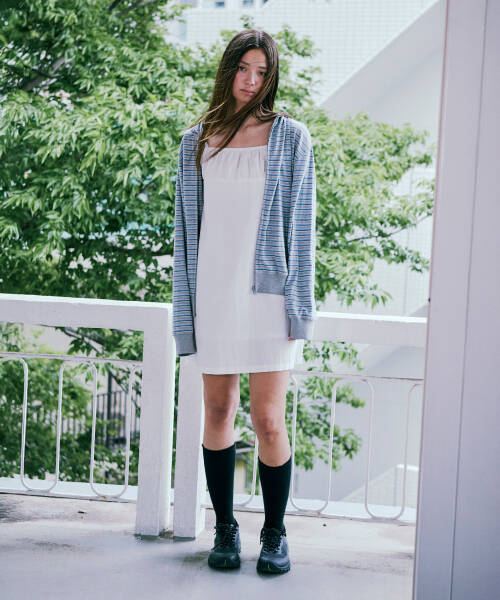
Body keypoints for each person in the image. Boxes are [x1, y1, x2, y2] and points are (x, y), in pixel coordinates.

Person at [172, 29, 317, 575]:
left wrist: (299, 306)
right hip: (213, 293)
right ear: (228, 69)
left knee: (268, 419)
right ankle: (225, 529)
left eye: (262, 72)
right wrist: (185, 309)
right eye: (243, 69)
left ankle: (275, 533)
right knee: (217, 412)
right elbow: (186, 232)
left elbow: (302, 227)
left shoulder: (291, 137)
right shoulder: (196, 141)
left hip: (269, 298)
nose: (251, 81)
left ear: (270, 77)